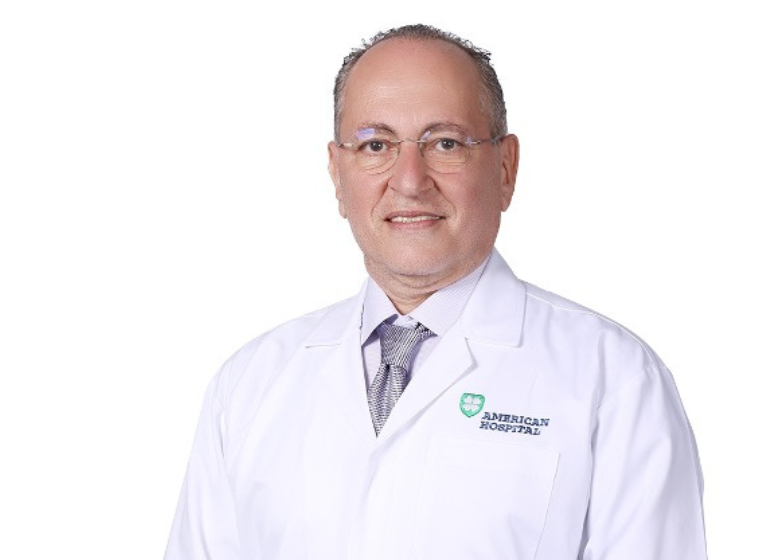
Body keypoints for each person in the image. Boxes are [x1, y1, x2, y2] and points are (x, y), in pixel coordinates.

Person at [164, 24, 707, 560]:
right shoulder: (249, 385)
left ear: (505, 167)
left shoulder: (613, 379)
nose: (409, 180)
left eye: (445, 143)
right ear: (337, 173)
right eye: (376, 145)